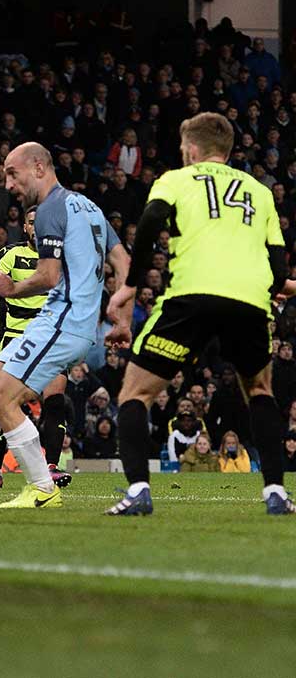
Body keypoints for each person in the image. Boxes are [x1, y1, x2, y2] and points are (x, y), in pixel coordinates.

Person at [0, 142, 130, 509]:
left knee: (3, 398)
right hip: (60, 323)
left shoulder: (49, 209)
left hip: (63, 323)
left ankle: (43, 488)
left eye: (13, 174)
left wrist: (10, 289)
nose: (9, 184)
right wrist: (122, 318)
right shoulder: (89, 207)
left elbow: (48, 275)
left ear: (39, 167)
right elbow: (124, 261)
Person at [106, 112, 294, 515]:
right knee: (260, 391)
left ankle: (139, 490)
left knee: (135, 394)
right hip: (249, 302)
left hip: (190, 297)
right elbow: (279, 271)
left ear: (191, 149)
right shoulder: (260, 191)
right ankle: (276, 493)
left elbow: (152, 219)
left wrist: (130, 285)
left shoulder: (175, 179)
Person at [0, 205, 71, 489]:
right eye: (32, 223)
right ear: (25, 227)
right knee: (2, 403)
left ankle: (51, 467)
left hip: (51, 338)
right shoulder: (11, 255)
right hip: (16, 337)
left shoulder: (61, 260)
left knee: (55, 399)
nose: (37, 228)